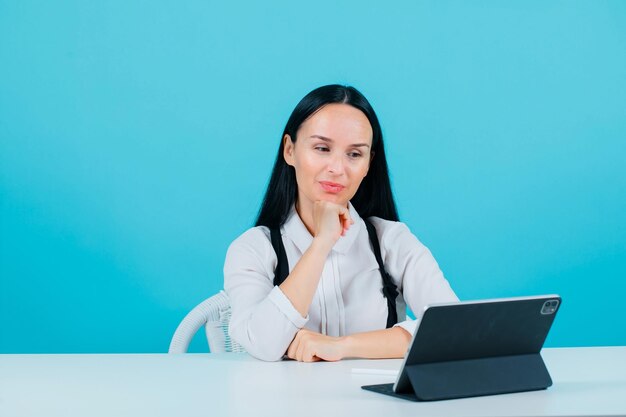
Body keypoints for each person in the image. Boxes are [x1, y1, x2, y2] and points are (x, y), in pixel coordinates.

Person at [224, 84, 458, 362]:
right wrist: (322, 243)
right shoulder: (253, 249)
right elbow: (263, 344)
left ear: (368, 164)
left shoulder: (392, 241)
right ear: (290, 150)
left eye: (354, 154)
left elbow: (453, 329)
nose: (337, 169)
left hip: (379, 404)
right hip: (286, 404)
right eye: (322, 148)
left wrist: (342, 346)